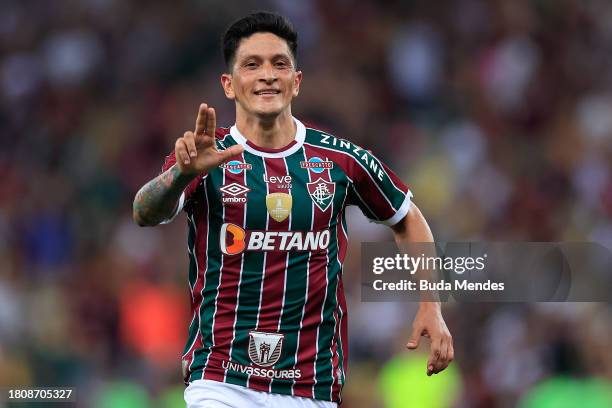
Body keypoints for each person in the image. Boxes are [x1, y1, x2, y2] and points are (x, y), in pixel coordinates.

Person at [132, 11, 453, 408]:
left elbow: (406, 217)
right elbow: (145, 212)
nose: (267, 74)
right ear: (229, 85)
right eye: (252, 64)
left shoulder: (340, 160)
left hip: (311, 385)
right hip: (220, 378)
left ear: (296, 82)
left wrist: (430, 306)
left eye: (279, 64)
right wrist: (179, 176)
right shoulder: (205, 155)